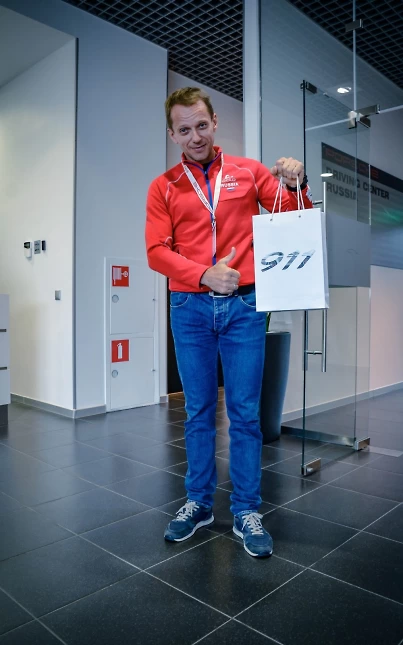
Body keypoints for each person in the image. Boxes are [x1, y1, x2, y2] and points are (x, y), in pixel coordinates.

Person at [145, 87, 313, 558]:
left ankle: (245, 509)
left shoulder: (248, 171)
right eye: (184, 129)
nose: (195, 136)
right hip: (190, 307)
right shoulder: (163, 187)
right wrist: (204, 274)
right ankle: (198, 503)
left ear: (215, 122)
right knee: (198, 411)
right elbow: (156, 251)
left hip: (244, 306)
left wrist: (295, 184)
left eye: (201, 125)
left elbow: (291, 218)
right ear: (172, 134)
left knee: (244, 413)